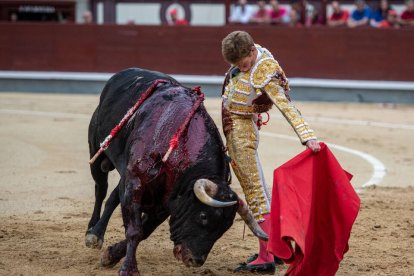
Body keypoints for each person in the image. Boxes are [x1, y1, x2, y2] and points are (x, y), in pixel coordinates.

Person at [221, 31, 320, 274]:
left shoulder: (264, 70)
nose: (241, 69)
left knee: (255, 192)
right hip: (238, 127)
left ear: (252, 52)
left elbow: (285, 105)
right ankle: (273, 250)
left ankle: (265, 257)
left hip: (243, 130)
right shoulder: (249, 56)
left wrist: (307, 135)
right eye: (236, 66)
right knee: (259, 189)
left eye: (243, 64)